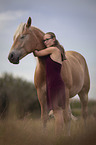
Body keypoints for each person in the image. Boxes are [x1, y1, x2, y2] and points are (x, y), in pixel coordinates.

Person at [34, 32, 66, 111]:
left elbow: (37, 53)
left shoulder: (53, 49)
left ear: (54, 39)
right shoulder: (56, 50)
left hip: (54, 83)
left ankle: (59, 124)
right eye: (44, 40)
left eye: (47, 39)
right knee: (58, 111)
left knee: (56, 111)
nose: (45, 42)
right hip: (56, 82)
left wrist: (32, 45)